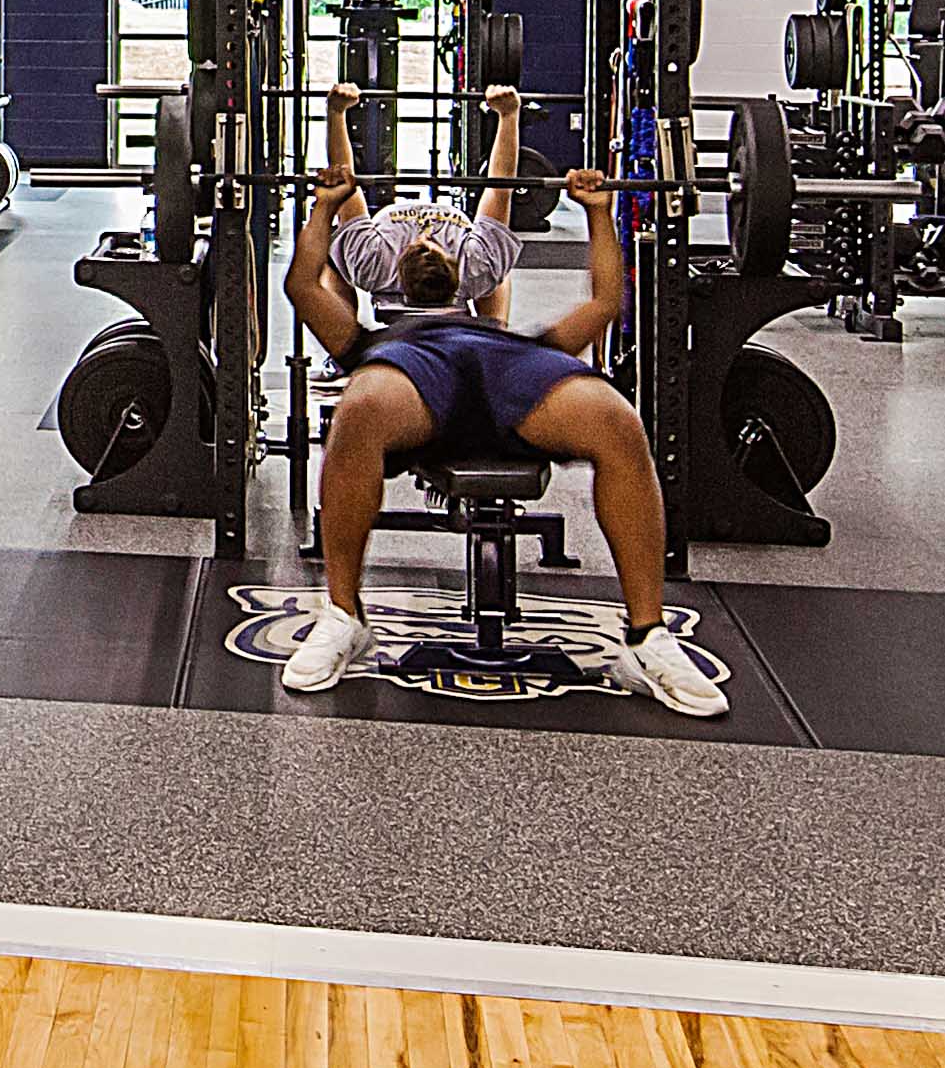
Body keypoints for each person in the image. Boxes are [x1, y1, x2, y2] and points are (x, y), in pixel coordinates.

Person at [273, 123, 727, 713]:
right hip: (413, 372)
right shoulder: (369, 340)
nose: (425, 241)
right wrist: (324, 207)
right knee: (358, 410)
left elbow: (604, 304)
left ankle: (647, 638)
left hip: (512, 369)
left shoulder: (509, 334)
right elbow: (302, 285)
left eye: (433, 244)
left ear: (465, 282)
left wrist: (597, 212)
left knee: (616, 419)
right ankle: (343, 615)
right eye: (417, 245)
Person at [324, 81, 531, 321]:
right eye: (433, 247)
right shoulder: (473, 267)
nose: (425, 235)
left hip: (382, 261)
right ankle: (494, 332)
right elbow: (499, 188)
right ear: (453, 271)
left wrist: (336, 112)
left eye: (418, 247)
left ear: (400, 271)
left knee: (333, 259)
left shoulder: (373, 264)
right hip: (477, 270)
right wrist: (508, 115)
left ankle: (342, 337)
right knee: (496, 265)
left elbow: (344, 180)